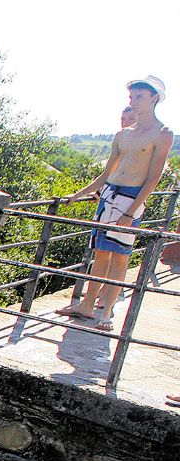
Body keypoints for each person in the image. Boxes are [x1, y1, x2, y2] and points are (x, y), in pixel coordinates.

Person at [56, 76, 172, 332]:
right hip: (109, 196)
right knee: (100, 254)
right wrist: (78, 194)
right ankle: (87, 305)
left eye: (139, 97)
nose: (134, 101)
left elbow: (153, 178)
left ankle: (106, 312)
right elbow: (107, 174)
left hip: (130, 198)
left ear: (154, 98)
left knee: (120, 257)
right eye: (132, 97)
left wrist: (131, 212)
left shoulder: (162, 134)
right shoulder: (122, 134)